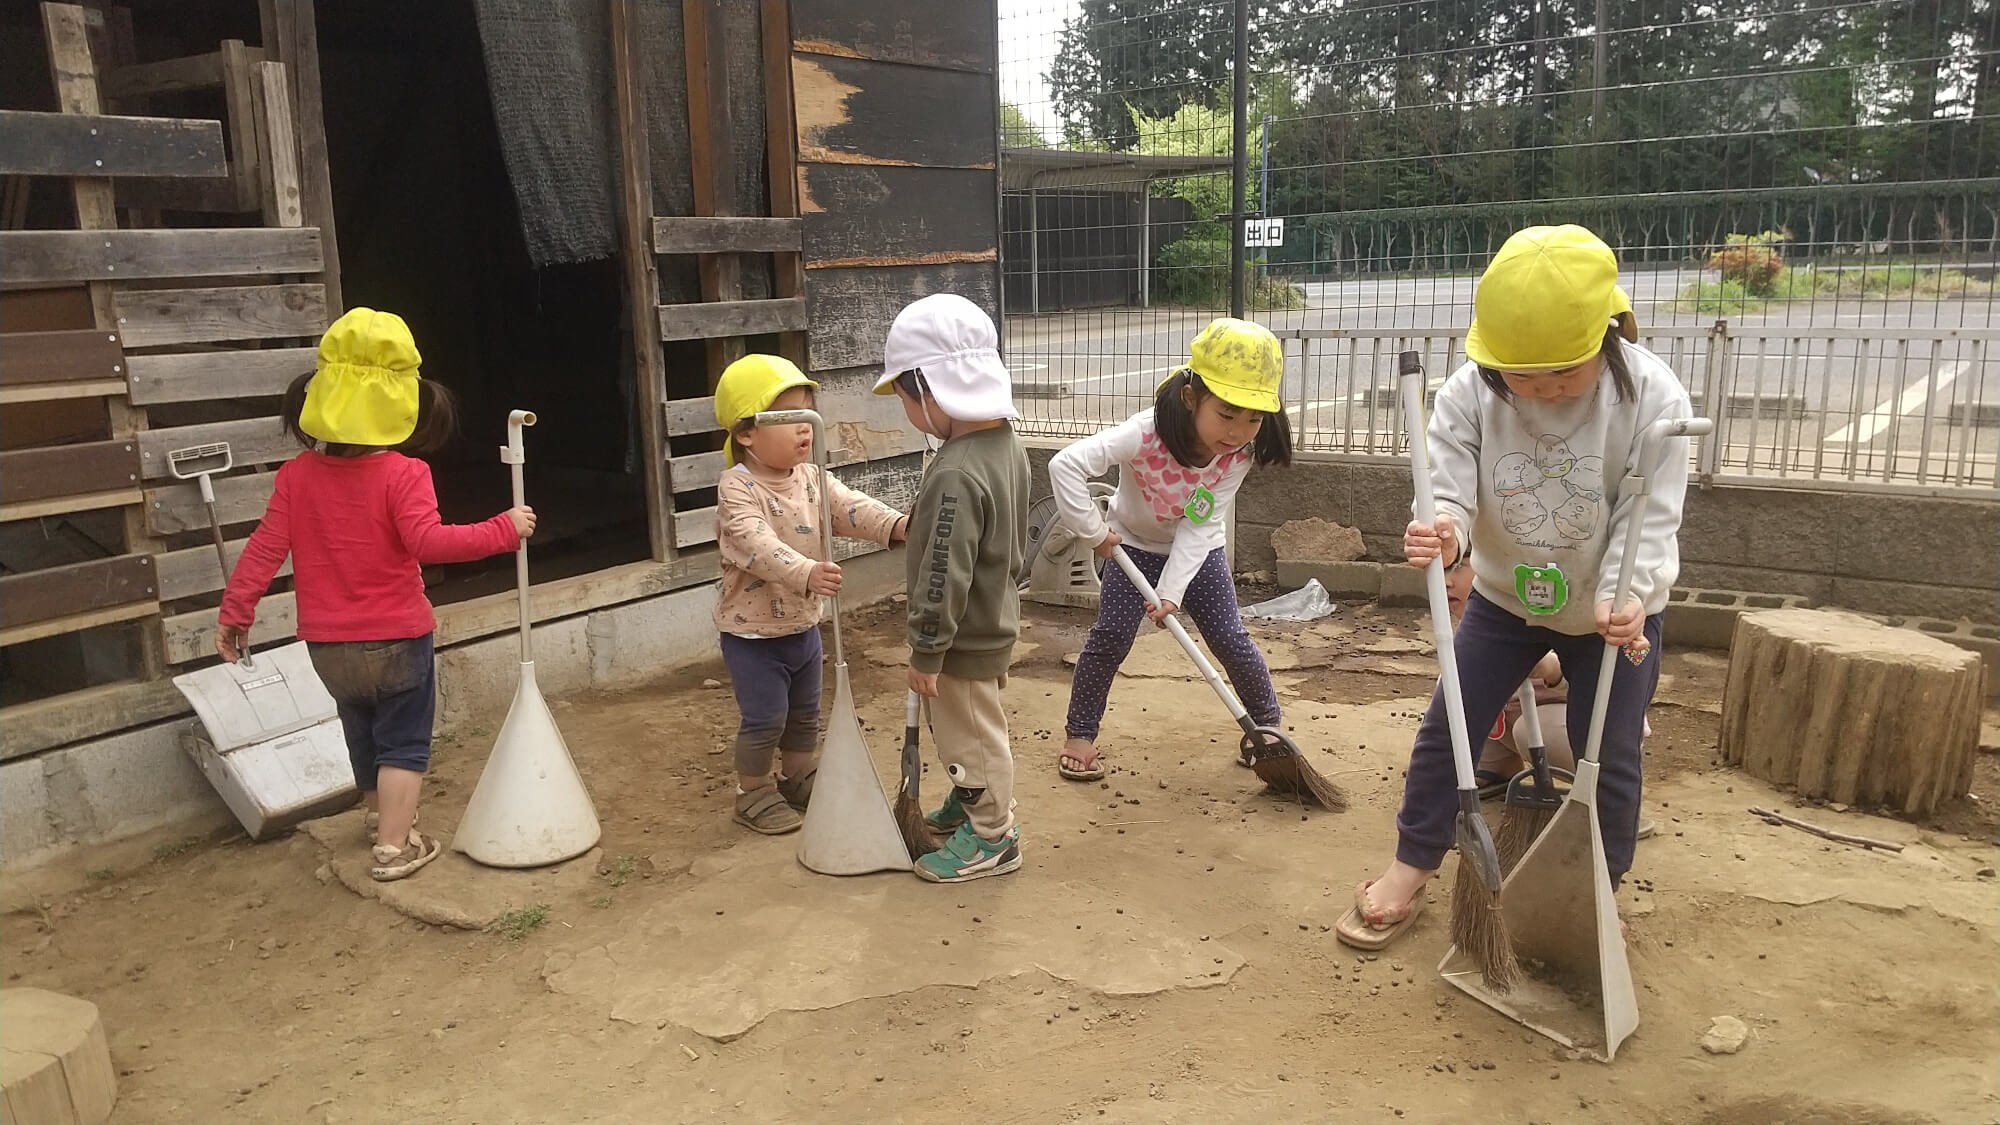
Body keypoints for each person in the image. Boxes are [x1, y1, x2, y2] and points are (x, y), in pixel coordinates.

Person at [1335, 225, 1692, 951]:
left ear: (1606, 334)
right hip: (1504, 596)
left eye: (1563, 371)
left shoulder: (1653, 395)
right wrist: (1443, 528)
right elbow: (1449, 482)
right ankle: (1411, 864)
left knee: (1610, 752)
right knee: (1451, 723)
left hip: (1612, 608)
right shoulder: (1471, 392)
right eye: (1522, 375)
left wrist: (1630, 593)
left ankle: (1597, 888)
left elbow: (1649, 514)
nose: (1542, 390)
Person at [216, 308, 533, 882]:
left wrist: (236, 613)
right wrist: (503, 529)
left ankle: (376, 818)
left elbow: (264, 549)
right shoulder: (403, 473)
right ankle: (395, 846)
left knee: (360, 731)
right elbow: (429, 543)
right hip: (397, 637)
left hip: (327, 646)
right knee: (404, 745)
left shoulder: (295, 476)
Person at [1047, 317, 1293, 781]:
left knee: (1230, 639)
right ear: (1190, 397)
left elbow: (1201, 524)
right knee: (1109, 640)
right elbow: (1065, 466)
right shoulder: (1143, 435)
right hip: (1129, 547)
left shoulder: (1238, 454)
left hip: (1198, 555)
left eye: (1253, 417)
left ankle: (1266, 728)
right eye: (1226, 413)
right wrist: (1094, 533)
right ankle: (1080, 734)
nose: (1239, 431)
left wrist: (1173, 590)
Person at [711, 354, 909, 835]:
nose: (806, 429)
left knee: (805, 711)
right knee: (765, 717)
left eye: (808, 416)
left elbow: (850, 509)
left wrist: (899, 526)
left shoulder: (812, 478)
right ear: (746, 433)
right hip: (752, 634)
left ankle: (797, 774)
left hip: (803, 624)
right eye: (789, 418)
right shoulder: (738, 488)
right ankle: (753, 789)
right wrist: (805, 572)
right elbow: (756, 544)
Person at [873, 293, 1029, 883]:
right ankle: (971, 798)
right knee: (968, 728)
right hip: (992, 616)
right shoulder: (1005, 446)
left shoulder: (957, 471)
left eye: (907, 400)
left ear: (930, 389)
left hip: (961, 638)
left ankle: (992, 835)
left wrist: (926, 649)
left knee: (972, 734)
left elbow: (944, 571)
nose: (910, 414)